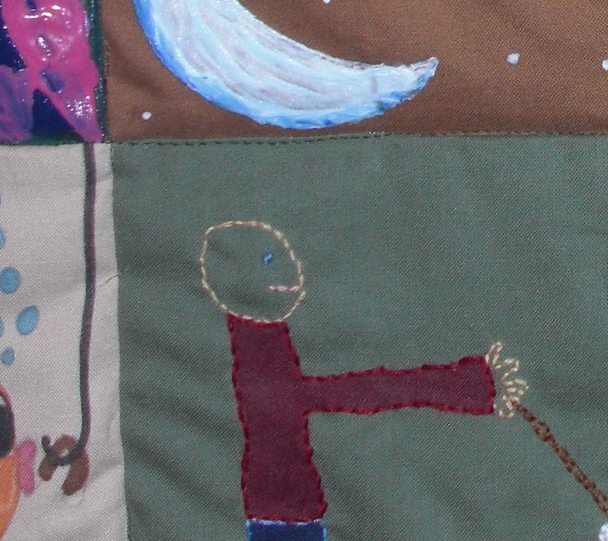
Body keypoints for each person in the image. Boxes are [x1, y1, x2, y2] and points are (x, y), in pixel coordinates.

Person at [197, 219, 523, 541]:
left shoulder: (261, 345)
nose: (290, 276)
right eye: (268, 261)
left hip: (283, 509)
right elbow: (326, 394)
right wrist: (464, 386)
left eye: (280, 260)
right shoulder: (258, 358)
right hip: (284, 516)